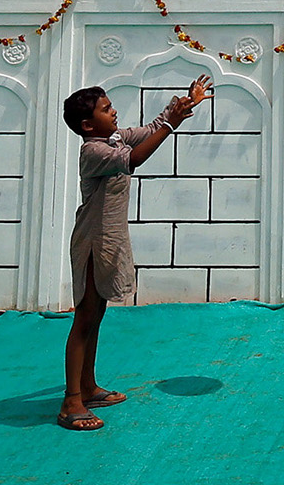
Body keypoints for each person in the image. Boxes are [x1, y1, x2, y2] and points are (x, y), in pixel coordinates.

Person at [58, 73, 211, 432]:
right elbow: (137, 157)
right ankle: (71, 402)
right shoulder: (94, 150)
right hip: (94, 240)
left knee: (96, 315)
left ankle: (88, 386)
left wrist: (178, 109)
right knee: (84, 317)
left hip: (109, 237)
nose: (115, 113)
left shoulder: (112, 137)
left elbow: (148, 130)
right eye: (106, 109)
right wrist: (169, 127)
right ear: (86, 125)